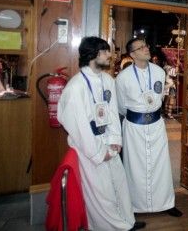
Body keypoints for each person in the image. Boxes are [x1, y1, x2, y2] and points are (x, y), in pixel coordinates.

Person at [57, 37, 144, 231]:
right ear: (92, 54)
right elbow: (77, 125)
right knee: (101, 192)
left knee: (120, 185)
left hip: (109, 144)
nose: (110, 55)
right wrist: (98, 151)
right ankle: (113, 227)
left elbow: (112, 112)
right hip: (90, 148)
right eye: (105, 52)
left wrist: (115, 140)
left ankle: (127, 220)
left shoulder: (107, 79)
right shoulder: (76, 87)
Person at [116, 38, 182, 218]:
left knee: (161, 165)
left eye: (146, 45)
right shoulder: (123, 77)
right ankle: (135, 206)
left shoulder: (159, 72)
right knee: (134, 167)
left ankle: (166, 203)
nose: (146, 49)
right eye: (141, 47)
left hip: (156, 125)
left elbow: (160, 97)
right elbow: (121, 105)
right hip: (133, 128)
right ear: (132, 54)